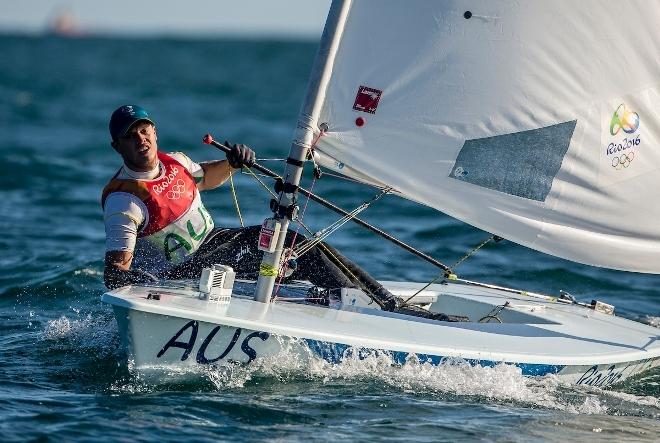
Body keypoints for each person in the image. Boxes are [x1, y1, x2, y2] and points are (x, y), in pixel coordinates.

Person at [101, 105, 400, 310]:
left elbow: (206, 178)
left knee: (295, 244)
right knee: (278, 249)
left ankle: (378, 299)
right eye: (130, 136)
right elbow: (115, 274)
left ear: (154, 131)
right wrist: (147, 285)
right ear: (117, 147)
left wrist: (232, 163)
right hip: (182, 273)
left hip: (215, 244)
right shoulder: (123, 200)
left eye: (144, 130)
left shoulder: (175, 161)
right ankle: (367, 304)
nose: (140, 139)